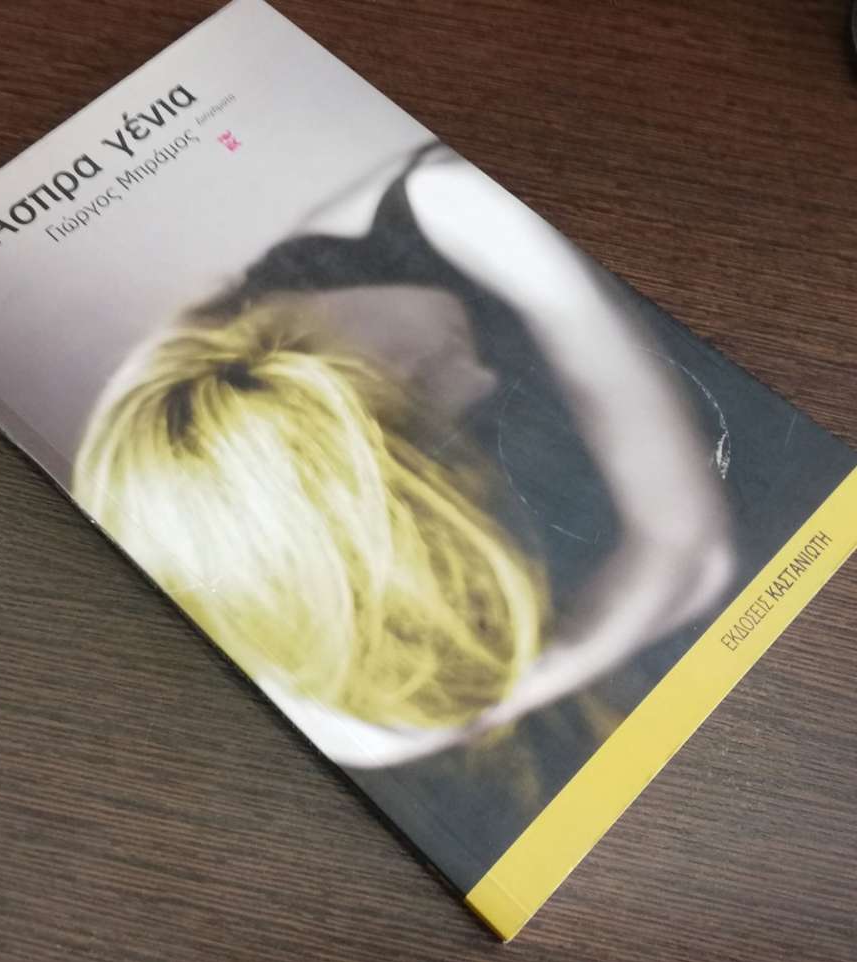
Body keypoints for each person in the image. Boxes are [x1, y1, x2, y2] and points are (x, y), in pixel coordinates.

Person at [72, 141, 735, 771]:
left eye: (407, 389)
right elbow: (337, 731)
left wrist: (481, 709)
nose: (478, 381)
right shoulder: (248, 486)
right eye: (449, 438)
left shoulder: (461, 202)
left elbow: (697, 555)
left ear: (266, 341)